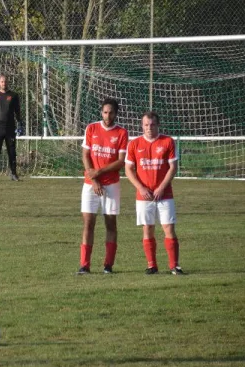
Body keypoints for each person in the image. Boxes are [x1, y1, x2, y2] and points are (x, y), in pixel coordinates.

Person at [125, 111, 184, 275]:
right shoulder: (134, 144)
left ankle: (174, 266)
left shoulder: (168, 142)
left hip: (164, 195)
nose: (149, 128)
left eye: (152, 125)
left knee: (169, 228)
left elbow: (173, 167)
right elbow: (128, 169)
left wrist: (161, 187)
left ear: (158, 125)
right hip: (144, 196)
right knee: (147, 229)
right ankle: (152, 265)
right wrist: (141, 188)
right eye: (146, 125)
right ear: (142, 126)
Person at [77, 99, 128, 275]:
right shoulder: (91, 128)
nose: (108, 116)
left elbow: (121, 161)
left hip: (111, 185)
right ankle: (84, 265)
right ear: (101, 112)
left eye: (111, 112)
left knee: (111, 224)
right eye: (105, 112)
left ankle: (108, 265)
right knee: (88, 224)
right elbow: (85, 154)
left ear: (116, 113)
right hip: (91, 184)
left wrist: (98, 172)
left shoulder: (121, 133)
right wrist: (94, 178)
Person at [0, 74, 23, 182]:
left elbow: (18, 111)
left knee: (12, 152)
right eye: (2, 82)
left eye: (5, 81)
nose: (4, 83)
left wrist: (20, 123)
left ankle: (14, 174)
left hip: (10, 128)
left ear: (8, 82)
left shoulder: (14, 95)